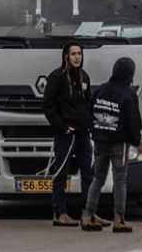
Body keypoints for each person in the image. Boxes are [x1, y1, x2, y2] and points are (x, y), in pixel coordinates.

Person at [42, 41, 107, 227]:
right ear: (66, 56)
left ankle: (89, 212)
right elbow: (48, 105)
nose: (77, 57)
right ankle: (60, 213)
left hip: (83, 133)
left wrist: (91, 124)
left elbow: (88, 102)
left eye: (79, 54)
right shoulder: (56, 77)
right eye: (73, 54)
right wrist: (63, 126)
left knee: (89, 174)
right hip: (66, 134)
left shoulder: (84, 76)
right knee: (61, 173)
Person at [82, 57, 142, 233]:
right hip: (118, 143)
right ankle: (119, 218)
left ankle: (88, 215)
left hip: (99, 141)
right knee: (120, 179)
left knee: (98, 178)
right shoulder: (128, 94)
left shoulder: (101, 89)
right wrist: (135, 139)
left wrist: (94, 131)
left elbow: (90, 112)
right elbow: (133, 120)